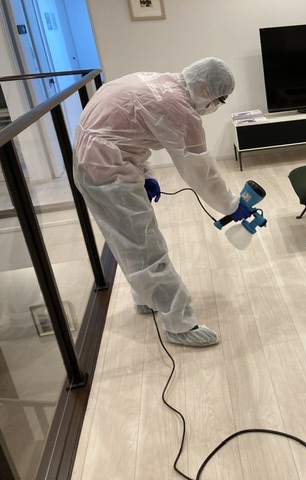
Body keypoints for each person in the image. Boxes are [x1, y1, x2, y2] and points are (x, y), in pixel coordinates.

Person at [73, 57, 249, 347]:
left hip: (95, 160)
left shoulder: (157, 81)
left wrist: (144, 173)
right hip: (106, 171)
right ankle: (179, 324)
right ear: (205, 87)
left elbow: (125, 132)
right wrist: (232, 204)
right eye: (219, 100)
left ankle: (146, 297)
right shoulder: (180, 109)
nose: (216, 106)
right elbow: (201, 171)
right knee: (144, 245)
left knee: (130, 239)